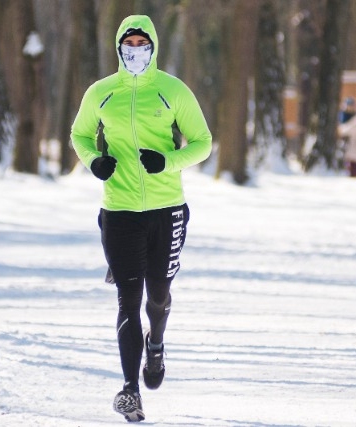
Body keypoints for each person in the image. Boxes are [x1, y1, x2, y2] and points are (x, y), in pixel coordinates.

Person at [70, 15, 212, 422]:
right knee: (127, 299)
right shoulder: (101, 93)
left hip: (167, 209)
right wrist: (94, 161)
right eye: (128, 45)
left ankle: (157, 343)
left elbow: (202, 143)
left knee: (159, 295)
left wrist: (167, 161)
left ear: (152, 48)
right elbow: (79, 134)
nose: (135, 51)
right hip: (119, 210)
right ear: (119, 49)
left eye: (142, 44)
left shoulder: (172, 91)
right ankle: (130, 389)